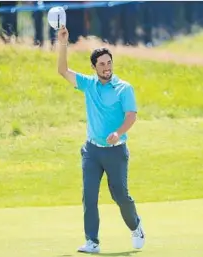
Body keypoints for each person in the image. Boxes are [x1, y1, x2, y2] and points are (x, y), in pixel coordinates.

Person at [56, 25, 145, 253]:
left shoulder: (124, 88)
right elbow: (63, 70)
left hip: (116, 151)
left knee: (120, 195)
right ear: (94, 67)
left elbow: (131, 116)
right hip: (92, 151)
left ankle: (135, 226)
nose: (106, 68)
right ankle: (92, 241)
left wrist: (118, 132)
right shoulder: (89, 84)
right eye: (102, 64)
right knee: (89, 195)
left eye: (109, 63)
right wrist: (63, 42)